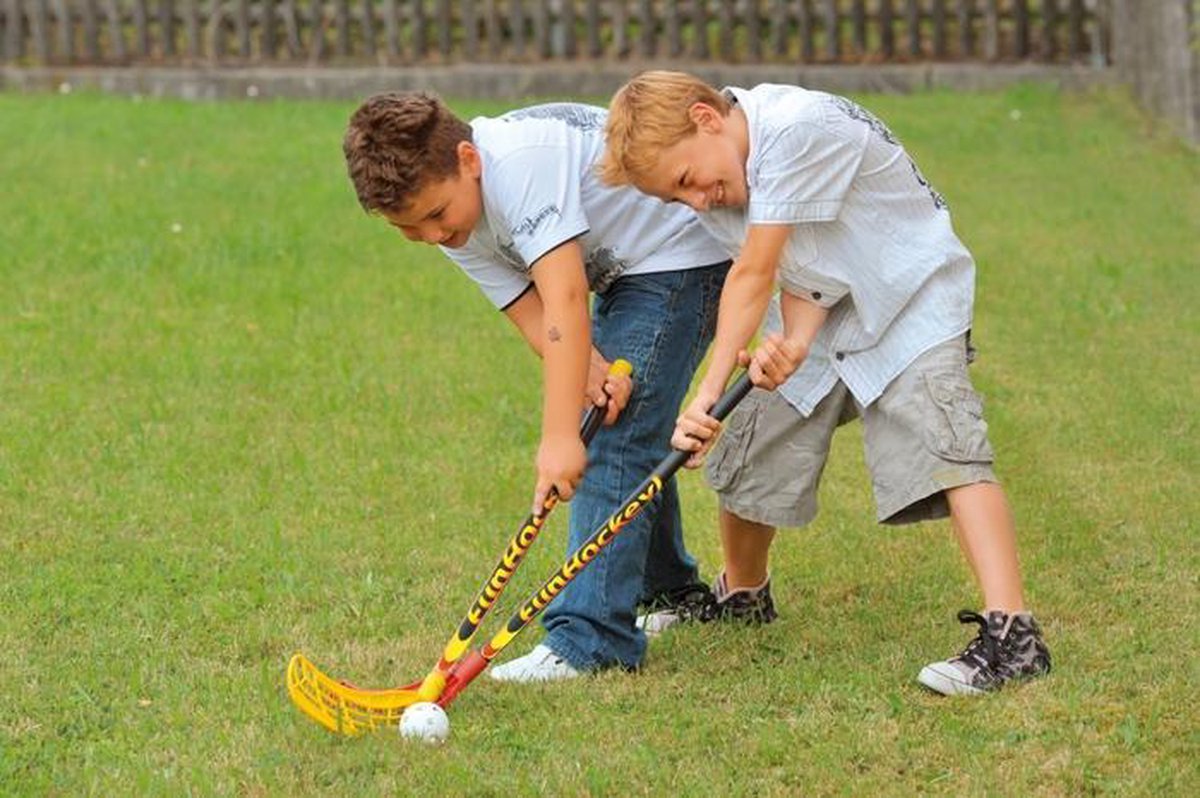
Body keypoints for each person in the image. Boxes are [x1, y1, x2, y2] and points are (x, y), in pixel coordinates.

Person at [599, 71, 1051, 696]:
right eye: (677, 199)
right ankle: (744, 596)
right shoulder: (724, 179)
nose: (695, 202)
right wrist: (796, 342)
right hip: (817, 301)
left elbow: (752, 273)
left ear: (706, 119)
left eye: (685, 181)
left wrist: (704, 398)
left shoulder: (796, 129)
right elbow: (798, 266)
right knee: (754, 440)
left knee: (944, 441)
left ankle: (1015, 636)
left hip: (906, 295)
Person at [343, 92, 731, 682]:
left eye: (436, 216)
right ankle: (671, 591)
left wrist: (559, 440)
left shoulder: (519, 164)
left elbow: (566, 299)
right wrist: (588, 374)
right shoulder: (451, 219)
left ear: (469, 159)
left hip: (677, 254)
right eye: (409, 229)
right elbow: (531, 313)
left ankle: (591, 640)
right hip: (620, 274)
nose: (431, 235)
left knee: (611, 437)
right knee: (621, 419)